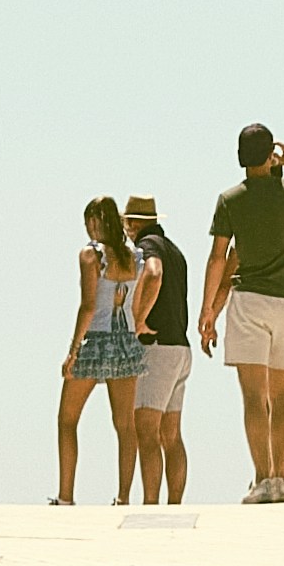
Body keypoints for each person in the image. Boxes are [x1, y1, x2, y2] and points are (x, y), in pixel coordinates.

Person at [207, 125, 284, 502]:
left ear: (239, 157)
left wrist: (206, 310)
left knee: (253, 398)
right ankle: (280, 479)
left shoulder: (229, 200)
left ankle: (263, 478)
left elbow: (218, 258)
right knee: (282, 398)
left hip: (249, 301)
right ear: (270, 155)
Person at [53, 197, 143, 508]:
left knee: (67, 419)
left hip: (96, 340)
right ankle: (124, 496)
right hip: (125, 339)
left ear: (94, 221)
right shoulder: (134, 256)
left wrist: (72, 350)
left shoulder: (90, 255)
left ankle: (66, 495)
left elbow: (88, 306)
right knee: (125, 424)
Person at [116, 182, 198, 509]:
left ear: (134, 223)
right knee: (171, 434)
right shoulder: (174, 249)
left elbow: (153, 273)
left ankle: (150, 504)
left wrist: (139, 319)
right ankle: (174, 505)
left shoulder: (148, 246)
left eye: (126, 223)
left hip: (157, 347)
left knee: (146, 429)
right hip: (180, 348)